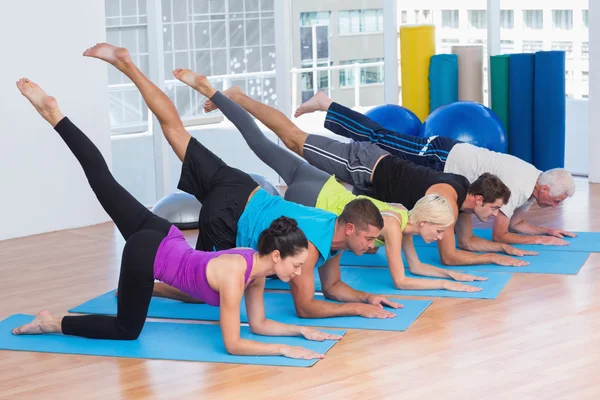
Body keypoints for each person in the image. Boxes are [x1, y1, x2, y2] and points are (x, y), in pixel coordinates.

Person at [11, 78, 341, 360]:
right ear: (276, 255)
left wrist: (300, 332)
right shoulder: (234, 275)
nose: (301, 272)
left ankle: (55, 115)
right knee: (125, 330)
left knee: (104, 182)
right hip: (148, 251)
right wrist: (283, 351)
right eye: (297, 265)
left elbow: (258, 325)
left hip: (164, 235)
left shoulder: (256, 269)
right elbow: (234, 343)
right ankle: (51, 324)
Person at [80, 43, 400, 319]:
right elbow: (305, 307)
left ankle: (127, 65)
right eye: (370, 238)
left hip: (242, 185)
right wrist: (356, 310)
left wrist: (365, 298)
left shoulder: (332, 230)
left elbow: (331, 288)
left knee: (176, 130)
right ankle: (149, 287)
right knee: (204, 288)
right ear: (350, 229)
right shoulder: (310, 249)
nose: (373, 246)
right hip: (227, 217)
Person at [179, 73, 487, 292]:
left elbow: (416, 267)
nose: (442, 235)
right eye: (440, 229)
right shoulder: (393, 227)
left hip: (322, 183)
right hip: (316, 200)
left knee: (262, 143)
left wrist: (450, 276)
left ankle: (219, 95)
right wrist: (449, 284)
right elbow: (403, 279)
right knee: (282, 247)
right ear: (426, 221)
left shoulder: (402, 218)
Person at [203, 89, 539, 268]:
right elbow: (451, 253)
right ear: (478, 199)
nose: (496, 216)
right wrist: (497, 253)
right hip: (367, 165)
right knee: (293, 139)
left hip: (366, 184)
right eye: (494, 210)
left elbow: (463, 243)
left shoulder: (461, 200)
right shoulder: (446, 202)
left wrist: (500, 251)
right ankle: (240, 99)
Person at [295, 93, 577, 247]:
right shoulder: (518, 187)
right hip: (440, 156)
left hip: (444, 171)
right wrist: (537, 240)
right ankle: (326, 104)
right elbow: (500, 234)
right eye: (556, 200)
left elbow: (515, 223)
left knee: (381, 153)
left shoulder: (532, 184)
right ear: (545, 188)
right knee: (379, 137)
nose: (554, 206)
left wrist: (546, 232)